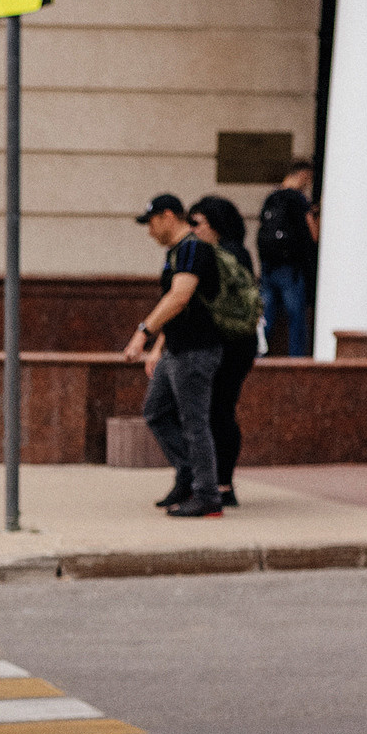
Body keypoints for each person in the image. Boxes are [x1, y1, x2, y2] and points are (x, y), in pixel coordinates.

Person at [125, 191, 223, 518]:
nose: (149, 230)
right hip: (176, 349)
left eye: (151, 222)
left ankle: (207, 495)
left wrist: (142, 333)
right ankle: (187, 476)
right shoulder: (177, 252)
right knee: (155, 411)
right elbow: (178, 308)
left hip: (196, 351)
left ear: (168, 216)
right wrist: (158, 348)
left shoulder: (194, 248)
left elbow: (180, 298)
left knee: (194, 423)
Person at [190, 193, 262, 509]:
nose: (192, 229)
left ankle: (220, 484)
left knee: (218, 411)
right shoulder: (238, 253)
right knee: (221, 410)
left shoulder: (224, 256)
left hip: (226, 344)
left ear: (216, 225)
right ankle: (221, 483)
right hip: (239, 343)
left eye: (197, 223)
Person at [255, 159, 319, 360]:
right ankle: (296, 359)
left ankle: (259, 355)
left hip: (267, 266)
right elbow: (313, 234)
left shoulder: (272, 197)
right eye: (307, 179)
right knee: (296, 316)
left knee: (266, 316)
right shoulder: (298, 199)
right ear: (302, 175)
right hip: (290, 269)